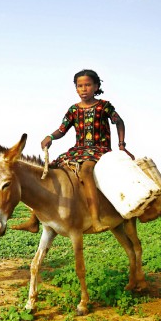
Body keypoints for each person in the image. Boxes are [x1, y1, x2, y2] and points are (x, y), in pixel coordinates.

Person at [41, 69, 133, 232]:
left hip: (100, 149)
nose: (84, 89)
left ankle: (95, 219)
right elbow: (62, 130)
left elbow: (119, 122)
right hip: (78, 150)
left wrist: (121, 145)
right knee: (49, 170)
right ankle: (35, 219)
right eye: (80, 86)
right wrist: (50, 137)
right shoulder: (73, 110)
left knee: (86, 170)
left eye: (88, 85)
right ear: (76, 88)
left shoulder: (104, 106)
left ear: (96, 86)